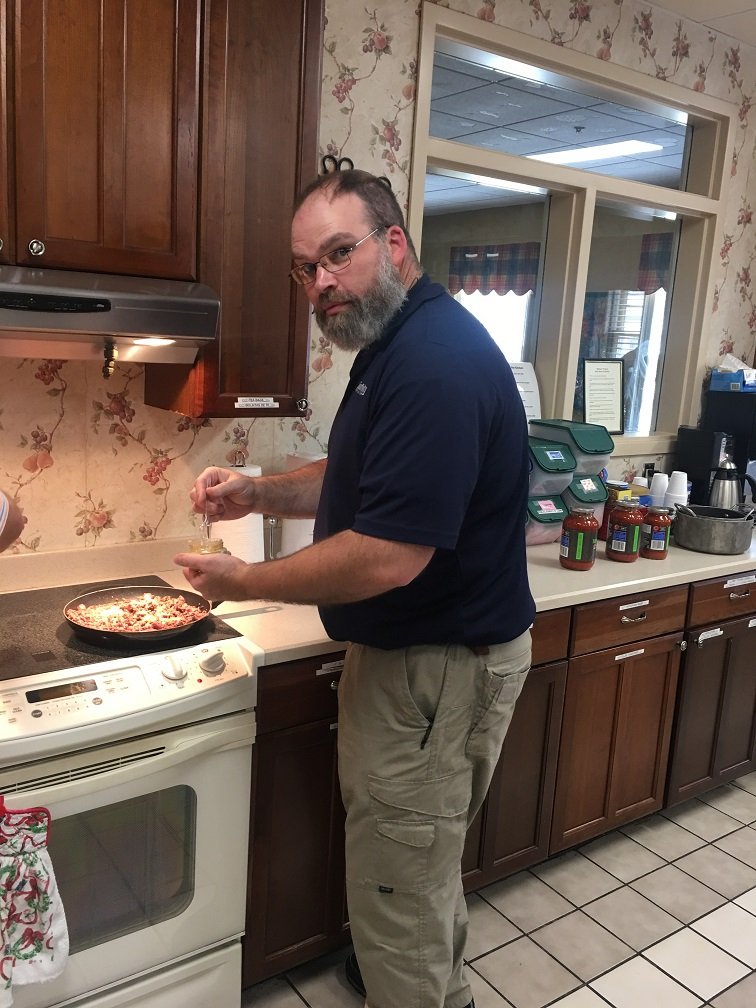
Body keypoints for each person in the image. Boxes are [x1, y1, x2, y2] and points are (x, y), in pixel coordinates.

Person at [174, 168, 535, 1008]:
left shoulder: (435, 364)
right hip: (422, 664)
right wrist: (259, 492)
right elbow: (361, 476)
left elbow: (388, 555)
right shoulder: (398, 342)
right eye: (306, 267)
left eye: (340, 254)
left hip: (435, 671)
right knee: (416, 871)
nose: (321, 283)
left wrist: (245, 578)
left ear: (394, 243)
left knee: (399, 891)